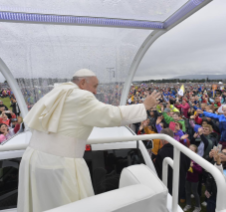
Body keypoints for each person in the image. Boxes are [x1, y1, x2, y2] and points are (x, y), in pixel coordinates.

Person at [17, 69, 160, 212]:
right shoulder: (81, 96)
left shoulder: (59, 91)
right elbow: (111, 115)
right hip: (58, 166)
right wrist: (144, 106)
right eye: (95, 86)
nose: (96, 92)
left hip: (33, 161)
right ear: (83, 82)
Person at [205, 148, 226, 212]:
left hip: (219, 196)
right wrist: (210, 158)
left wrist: (218, 163)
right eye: (222, 152)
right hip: (211, 193)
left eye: (225, 154)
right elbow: (204, 171)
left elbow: (220, 178)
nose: (221, 154)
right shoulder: (215, 162)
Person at [183, 144, 202, 212]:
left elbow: (200, 171)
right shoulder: (187, 157)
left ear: (196, 152)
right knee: (187, 191)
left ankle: (198, 206)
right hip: (187, 178)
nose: (190, 151)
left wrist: (193, 166)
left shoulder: (197, 159)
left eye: (192, 150)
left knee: (195, 192)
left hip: (194, 180)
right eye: (189, 149)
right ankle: (188, 204)